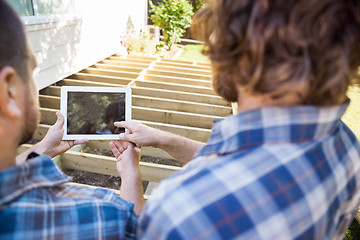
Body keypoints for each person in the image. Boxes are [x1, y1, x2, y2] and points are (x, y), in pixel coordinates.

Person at [111, 0, 360, 239]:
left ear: (246, 46)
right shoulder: (346, 146)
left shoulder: (185, 211)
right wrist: (164, 139)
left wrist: (130, 175)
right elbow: (244, 162)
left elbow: (142, 231)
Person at [0, 1, 143, 239]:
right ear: (9, 92)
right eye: (32, 72)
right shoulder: (98, 214)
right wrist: (130, 172)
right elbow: (138, 230)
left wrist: (44, 148)